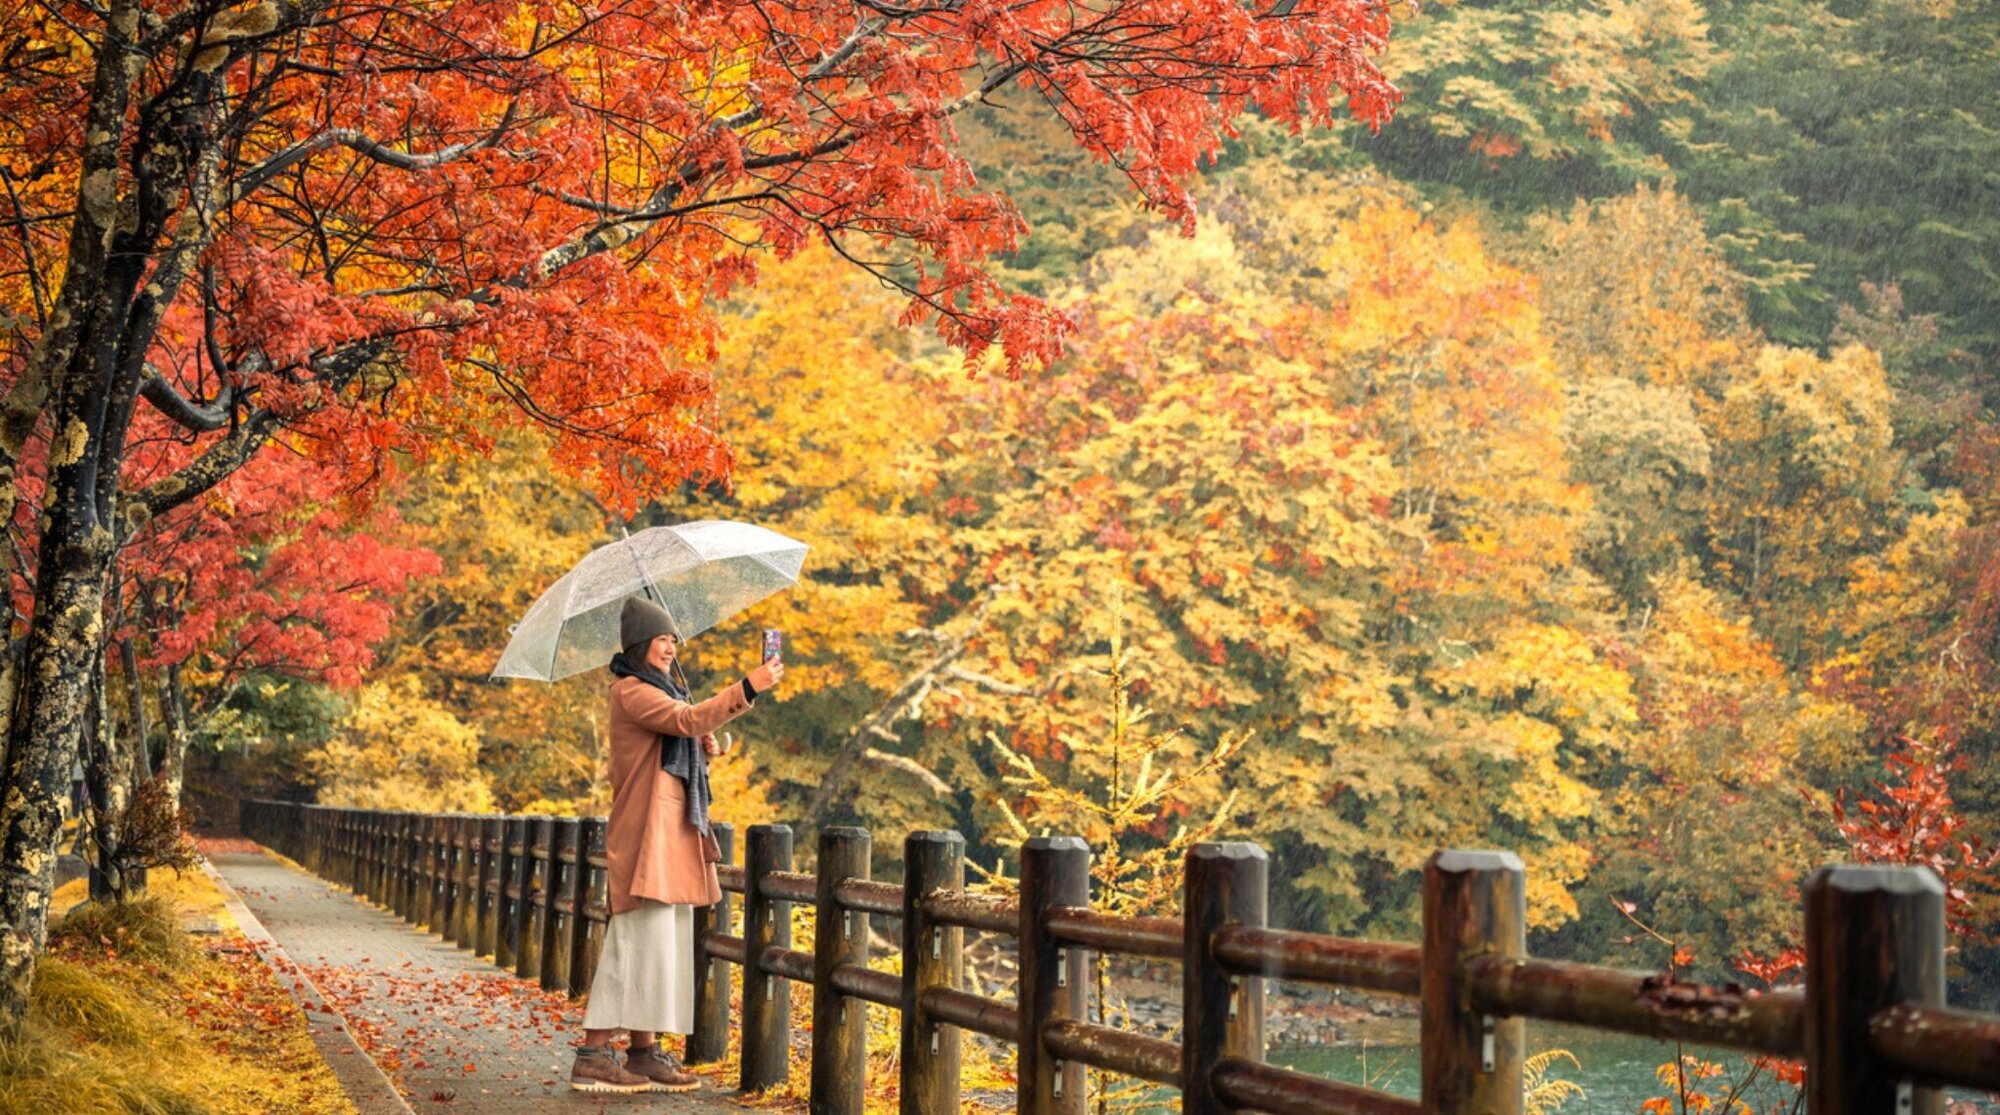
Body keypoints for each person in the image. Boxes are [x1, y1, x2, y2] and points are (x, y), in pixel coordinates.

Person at [570, 595, 784, 1094]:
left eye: (672, 639)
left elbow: (682, 730)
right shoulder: (631, 691)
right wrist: (748, 686)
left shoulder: (660, 690)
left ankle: (642, 1054)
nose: (671, 646)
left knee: (659, 943)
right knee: (633, 941)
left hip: (667, 834)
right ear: (642, 644)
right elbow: (684, 721)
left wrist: (702, 747)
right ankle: (593, 1053)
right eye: (663, 638)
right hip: (646, 833)